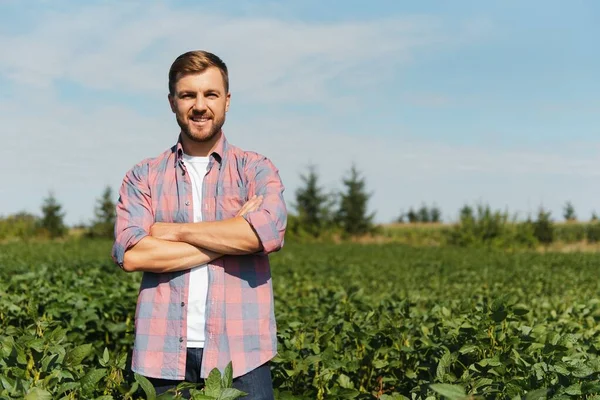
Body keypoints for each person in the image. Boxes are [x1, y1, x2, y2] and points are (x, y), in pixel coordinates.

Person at [111, 50, 287, 399]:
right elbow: (132, 255)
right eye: (188, 95)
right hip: (160, 357)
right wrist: (232, 230)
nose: (200, 105)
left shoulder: (255, 169)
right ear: (172, 102)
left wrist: (170, 230)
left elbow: (264, 233)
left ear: (227, 101)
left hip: (242, 356)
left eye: (211, 94)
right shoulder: (143, 176)